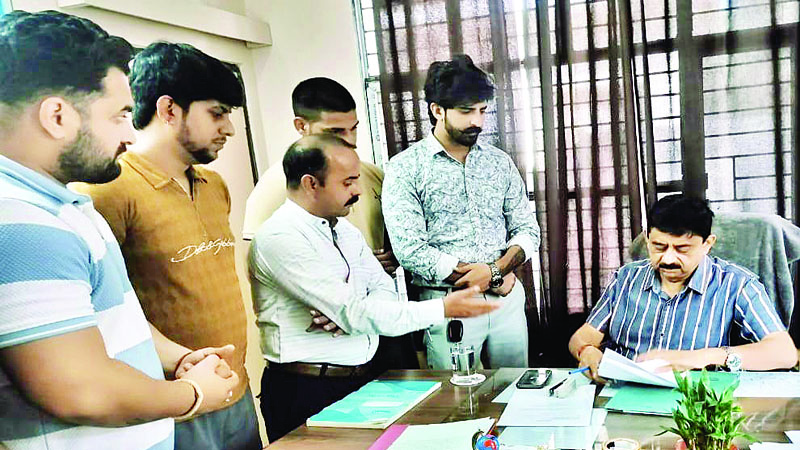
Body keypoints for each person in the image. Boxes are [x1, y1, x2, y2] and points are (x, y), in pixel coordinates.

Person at [0, 10, 238, 450]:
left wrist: (179, 358)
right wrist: (193, 394)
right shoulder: (19, 220)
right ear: (57, 117)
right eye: (119, 116)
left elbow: (113, 320)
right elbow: (80, 390)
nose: (130, 135)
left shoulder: (65, 204)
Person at [248, 134, 502, 441]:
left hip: (358, 382)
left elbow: (383, 289)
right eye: (348, 182)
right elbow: (355, 313)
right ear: (311, 184)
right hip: (307, 389)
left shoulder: (345, 231)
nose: (358, 190)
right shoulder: (280, 237)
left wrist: (353, 312)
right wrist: (442, 308)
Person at [72, 43, 261, 450]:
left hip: (236, 392)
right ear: (169, 110)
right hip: (173, 403)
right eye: (218, 113)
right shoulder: (108, 190)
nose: (229, 128)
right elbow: (99, 306)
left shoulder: (214, 186)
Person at [382, 55, 541, 370]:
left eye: (482, 110)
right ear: (437, 110)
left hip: (506, 298)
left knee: (515, 388)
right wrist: (484, 278)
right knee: (456, 393)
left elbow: (527, 230)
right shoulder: (405, 168)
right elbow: (410, 249)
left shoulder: (499, 162)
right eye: (466, 111)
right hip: (447, 302)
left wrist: (495, 272)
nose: (477, 122)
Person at [569, 194, 798, 381]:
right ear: (647, 240)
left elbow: (784, 352)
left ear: (708, 244)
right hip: (620, 392)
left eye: (682, 249)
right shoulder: (626, 279)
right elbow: (582, 337)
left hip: (694, 402)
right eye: (659, 247)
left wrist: (698, 358)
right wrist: (586, 351)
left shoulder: (736, 285)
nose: (668, 259)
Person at [242, 77, 396, 273]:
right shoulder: (275, 185)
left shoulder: (374, 175)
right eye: (335, 131)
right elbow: (258, 267)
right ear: (301, 126)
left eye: (353, 129)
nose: (350, 140)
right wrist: (355, 269)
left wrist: (389, 261)